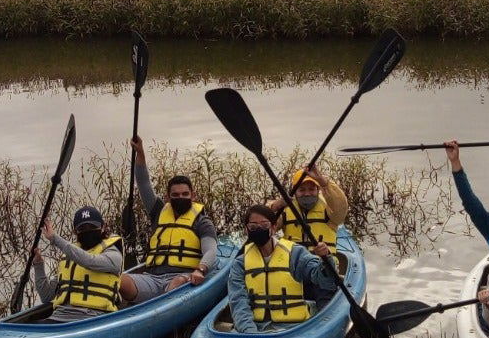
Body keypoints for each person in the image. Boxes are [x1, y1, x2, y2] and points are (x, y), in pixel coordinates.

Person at [118, 136, 218, 303]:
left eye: (185, 194)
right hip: (151, 279)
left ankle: (160, 309)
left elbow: (211, 251)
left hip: (183, 277)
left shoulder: (202, 221)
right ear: (168, 197)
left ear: (193, 196)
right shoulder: (158, 211)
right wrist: (140, 152)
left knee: (177, 283)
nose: (181, 198)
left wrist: (201, 269)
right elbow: (143, 183)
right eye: (176, 195)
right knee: (119, 280)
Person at [227, 205, 338, 333]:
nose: (258, 229)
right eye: (253, 227)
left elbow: (324, 280)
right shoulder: (240, 263)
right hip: (256, 328)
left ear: (274, 228)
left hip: (295, 328)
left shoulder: (295, 254)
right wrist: (250, 333)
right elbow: (238, 301)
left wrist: (325, 259)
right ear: (247, 230)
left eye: (264, 225)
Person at [30, 206, 123, 323]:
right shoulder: (70, 258)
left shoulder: (113, 254)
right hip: (58, 319)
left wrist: (55, 239)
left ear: (103, 227)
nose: (88, 231)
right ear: (75, 232)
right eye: (82, 228)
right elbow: (46, 296)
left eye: (93, 227)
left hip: (94, 319)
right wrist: (38, 264)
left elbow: (90, 261)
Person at [269, 165, 348, 254]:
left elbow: (341, 207)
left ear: (318, 190)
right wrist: (274, 206)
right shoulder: (286, 209)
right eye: (302, 190)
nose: (307, 194)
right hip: (295, 264)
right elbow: (263, 225)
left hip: (324, 264)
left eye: (311, 189)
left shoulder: (329, 208)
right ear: (295, 192)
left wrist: (322, 181)